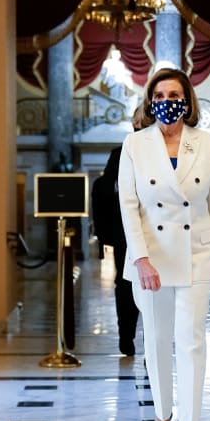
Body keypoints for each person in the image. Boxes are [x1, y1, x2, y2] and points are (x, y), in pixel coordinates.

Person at [118, 67, 210, 421]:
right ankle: (162, 414)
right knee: (156, 342)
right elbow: (128, 206)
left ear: (188, 100)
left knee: (191, 342)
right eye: (160, 94)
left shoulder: (205, 143)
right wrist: (141, 257)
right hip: (150, 257)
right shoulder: (135, 144)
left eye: (175, 94)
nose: (168, 101)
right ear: (150, 101)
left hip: (197, 253)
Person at [91, 108, 143, 357]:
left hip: (158, 234)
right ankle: (127, 336)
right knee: (125, 286)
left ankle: (152, 345)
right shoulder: (119, 154)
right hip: (125, 235)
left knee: (157, 290)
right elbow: (103, 191)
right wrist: (105, 236)